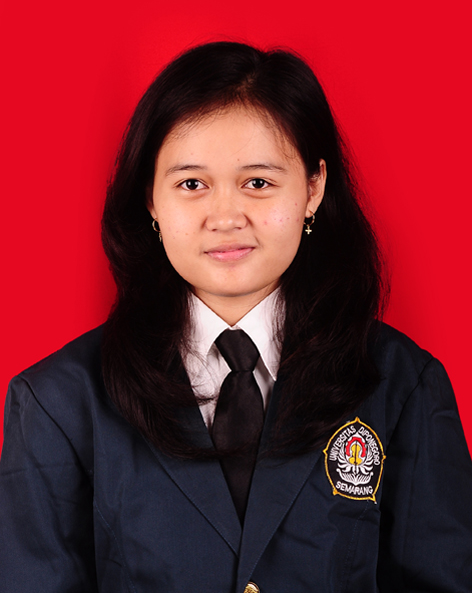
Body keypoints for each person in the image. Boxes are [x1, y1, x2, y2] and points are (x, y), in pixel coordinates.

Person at [1, 41, 471, 593]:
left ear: (313, 188)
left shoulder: (403, 386)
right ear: (151, 199)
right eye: (191, 184)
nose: (225, 217)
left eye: (258, 183)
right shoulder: (57, 402)